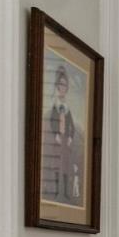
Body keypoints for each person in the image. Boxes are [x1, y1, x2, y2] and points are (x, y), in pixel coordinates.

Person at [44, 66, 82, 205]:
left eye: (65, 85)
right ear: (57, 86)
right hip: (57, 140)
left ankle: (65, 191)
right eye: (60, 84)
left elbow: (71, 125)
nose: (63, 87)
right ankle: (55, 190)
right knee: (56, 164)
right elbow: (52, 121)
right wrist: (55, 135)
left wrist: (70, 136)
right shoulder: (55, 106)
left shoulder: (67, 108)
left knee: (65, 164)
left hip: (65, 140)